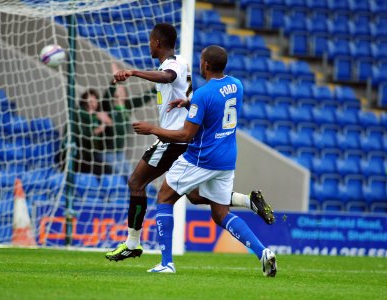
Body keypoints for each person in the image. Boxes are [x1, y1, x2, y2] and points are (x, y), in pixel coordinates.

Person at [105, 23, 275, 263]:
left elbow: (168, 77)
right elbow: (187, 87)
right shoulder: (193, 65)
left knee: (136, 182)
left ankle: (134, 244)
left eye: (150, 41)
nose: (148, 45)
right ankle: (247, 201)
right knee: (195, 196)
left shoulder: (172, 66)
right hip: (194, 140)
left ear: (157, 42)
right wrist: (187, 101)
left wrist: (133, 73)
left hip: (174, 137)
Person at [98, 62, 152, 176]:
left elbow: (144, 98)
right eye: (118, 90)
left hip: (119, 152)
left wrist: (158, 87)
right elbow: (107, 96)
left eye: (122, 89)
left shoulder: (127, 106)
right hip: (107, 152)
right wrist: (115, 81)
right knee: (120, 176)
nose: (120, 91)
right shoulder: (108, 107)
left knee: (132, 176)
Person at [73, 89, 113, 176]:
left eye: (95, 101)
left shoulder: (98, 117)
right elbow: (82, 135)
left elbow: (110, 135)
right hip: (79, 156)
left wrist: (108, 124)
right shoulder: (78, 114)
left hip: (95, 154)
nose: (92, 104)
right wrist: (96, 130)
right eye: (90, 101)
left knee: (108, 170)